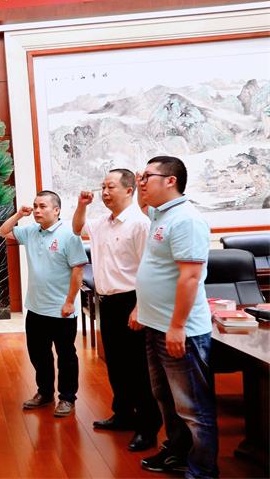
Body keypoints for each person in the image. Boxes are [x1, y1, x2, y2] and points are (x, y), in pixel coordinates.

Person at [135, 156, 218, 478]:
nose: (141, 182)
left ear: (171, 181)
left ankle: (203, 471)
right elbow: (142, 203)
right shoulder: (161, 213)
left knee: (193, 408)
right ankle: (178, 454)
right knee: (166, 398)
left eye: (148, 176)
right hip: (156, 325)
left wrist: (177, 326)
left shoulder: (186, 219)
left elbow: (190, 277)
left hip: (180, 330)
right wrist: (142, 183)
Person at [72, 169, 161, 452]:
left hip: (132, 301)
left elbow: (150, 269)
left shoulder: (140, 224)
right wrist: (82, 205)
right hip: (107, 302)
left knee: (138, 368)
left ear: (129, 190)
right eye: (103, 187)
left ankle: (147, 427)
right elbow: (77, 228)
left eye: (111, 187)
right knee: (116, 363)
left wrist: (140, 307)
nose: (105, 192)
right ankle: (123, 414)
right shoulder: (102, 223)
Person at [0, 190, 87, 417]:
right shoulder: (30, 231)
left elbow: (78, 269)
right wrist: (19, 214)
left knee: (66, 356)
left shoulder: (69, 234)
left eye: (43, 206)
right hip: (36, 307)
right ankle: (45, 393)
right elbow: (3, 231)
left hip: (62, 309)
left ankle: (67, 397)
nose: (37, 210)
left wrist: (70, 302)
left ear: (56, 210)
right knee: (39, 354)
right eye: (35, 206)